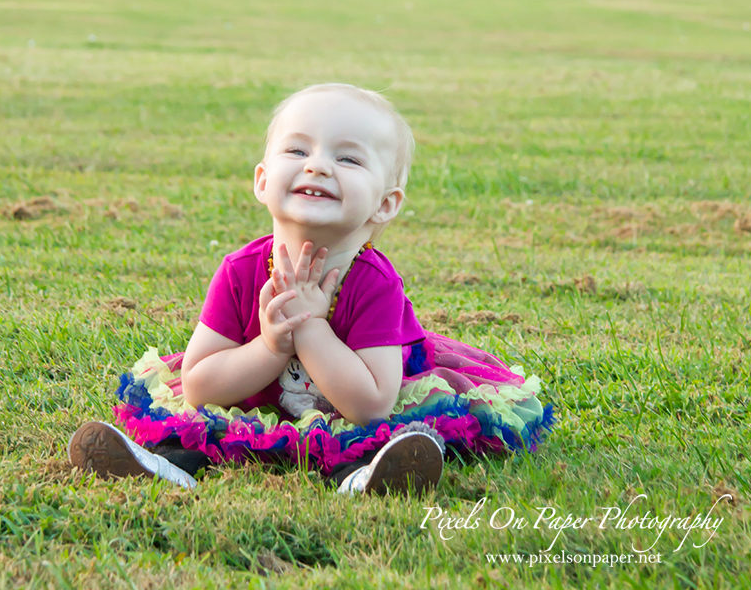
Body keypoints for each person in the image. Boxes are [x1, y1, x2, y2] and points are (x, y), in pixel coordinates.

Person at [68, 83, 553, 495]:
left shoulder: (374, 283)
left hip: (351, 405)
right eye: (298, 151)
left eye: (347, 158)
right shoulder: (239, 271)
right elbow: (199, 387)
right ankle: (163, 464)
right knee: (197, 425)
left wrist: (311, 329)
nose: (317, 166)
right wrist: (270, 346)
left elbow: (370, 403)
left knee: (370, 433)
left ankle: (367, 475)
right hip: (250, 402)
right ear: (262, 180)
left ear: (385, 204)